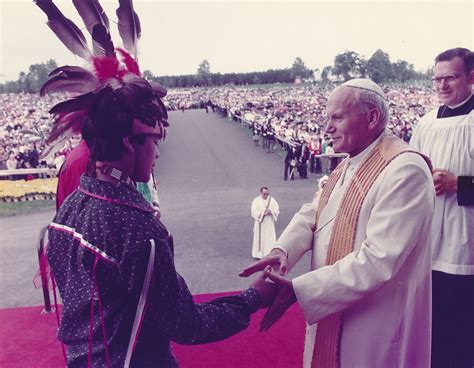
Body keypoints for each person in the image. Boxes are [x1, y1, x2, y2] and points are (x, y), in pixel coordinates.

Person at [36, 1, 275, 366]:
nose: (158, 153)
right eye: (154, 141)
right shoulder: (137, 227)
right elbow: (187, 325)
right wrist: (252, 299)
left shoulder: (74, 204)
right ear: (130, 141)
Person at [241, 79, 435, 368]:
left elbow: (379, 259)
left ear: (372, 118)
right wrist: (283, 249)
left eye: (337, 117)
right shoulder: (350, 161)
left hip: (376, 320)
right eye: (327, 118)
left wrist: (300, 290)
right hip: (337, 306)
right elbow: (316, 211)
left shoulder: (405, 170)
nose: (327, 127)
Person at [409, 47, 474, 368]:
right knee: (431, 334)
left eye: (450, 77)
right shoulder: (425, 124)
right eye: (437, 79)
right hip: (429, 244)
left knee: (462, 338)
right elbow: (408, 174)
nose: (442, 86)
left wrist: (458, 184)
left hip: (466, 249)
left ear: (471, 77)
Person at [251, 187, 280, 259]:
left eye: (267, 194)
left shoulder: (272, 200)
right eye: (264, 194)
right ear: (260, 193)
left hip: (269, 223)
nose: (266, 196)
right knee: (259, 239)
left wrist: (271, 212)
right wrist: (263, 213)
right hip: (260, 223)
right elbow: (253, 211)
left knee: (269, 238)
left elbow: (276, 209)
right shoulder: (256, 201)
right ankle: (258, 254)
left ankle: (269, 254)